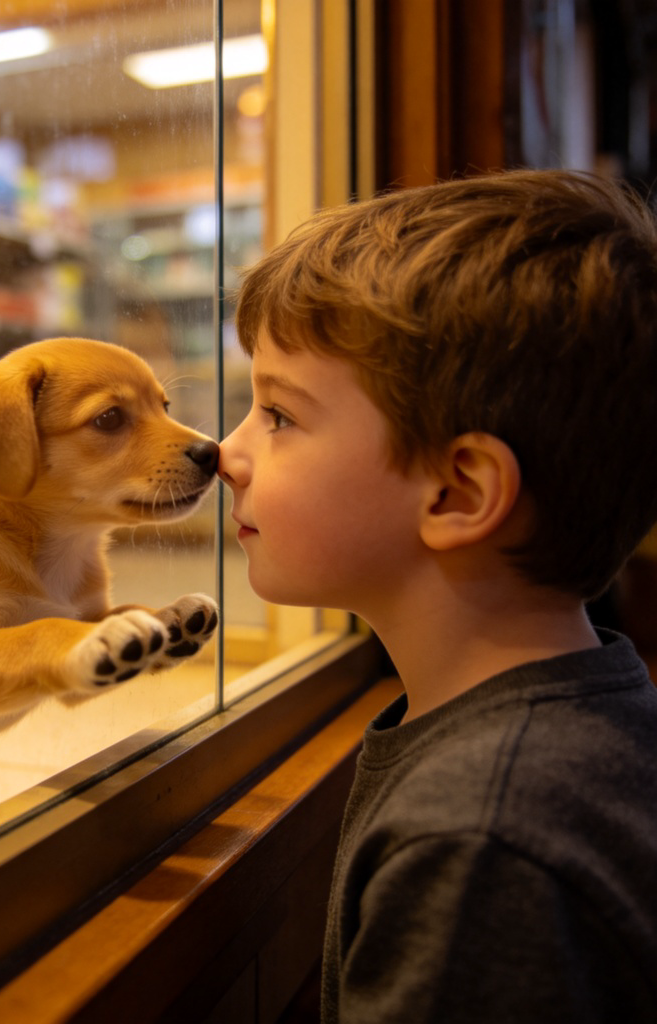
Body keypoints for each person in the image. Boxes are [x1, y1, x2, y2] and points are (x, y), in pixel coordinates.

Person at [218, 169, 657, 1022]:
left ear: (458, 492)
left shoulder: (480, 844)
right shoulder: (586, 716)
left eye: (278, 415)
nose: (226, 453)